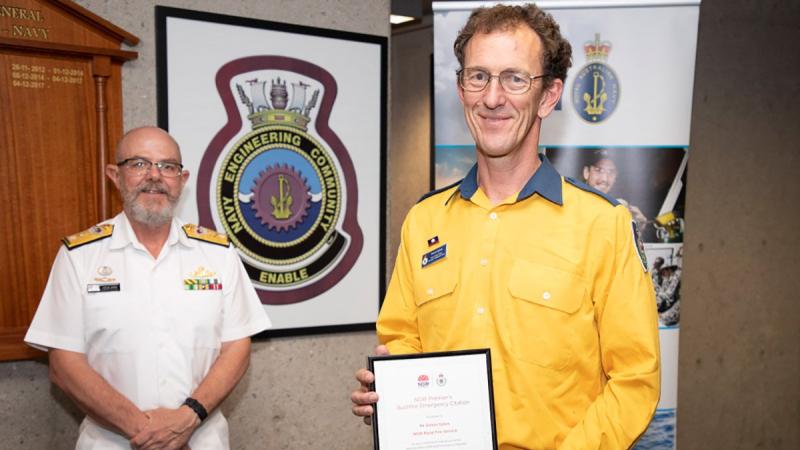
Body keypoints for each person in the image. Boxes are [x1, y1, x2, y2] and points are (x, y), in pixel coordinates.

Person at [351, 4, 660, 449]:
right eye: (478, 76)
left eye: (515, 78)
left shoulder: (602, 224)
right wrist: (391, 397)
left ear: (549, 96)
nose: (493, 97)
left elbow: (635, 381)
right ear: (461, 89)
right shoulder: (425, 220)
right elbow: (402, 339)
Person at [25, 126, 271, 449]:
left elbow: (237, 347)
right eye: (139, 164)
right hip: (113, 442)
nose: (154, 176)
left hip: (199, 439)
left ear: (182, 180)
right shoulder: (79, 257)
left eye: (167, 166)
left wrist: (186, 419)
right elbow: (65, 364)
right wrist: (148, 431)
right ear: (115, 175)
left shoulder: (218, 253)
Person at [582, 149, 648, 235]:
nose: (604, 179)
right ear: (586, 172)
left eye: (611, 172)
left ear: (616, 177)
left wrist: (637, 230)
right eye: (599, 170)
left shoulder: (619, 208)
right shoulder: (573, 203)